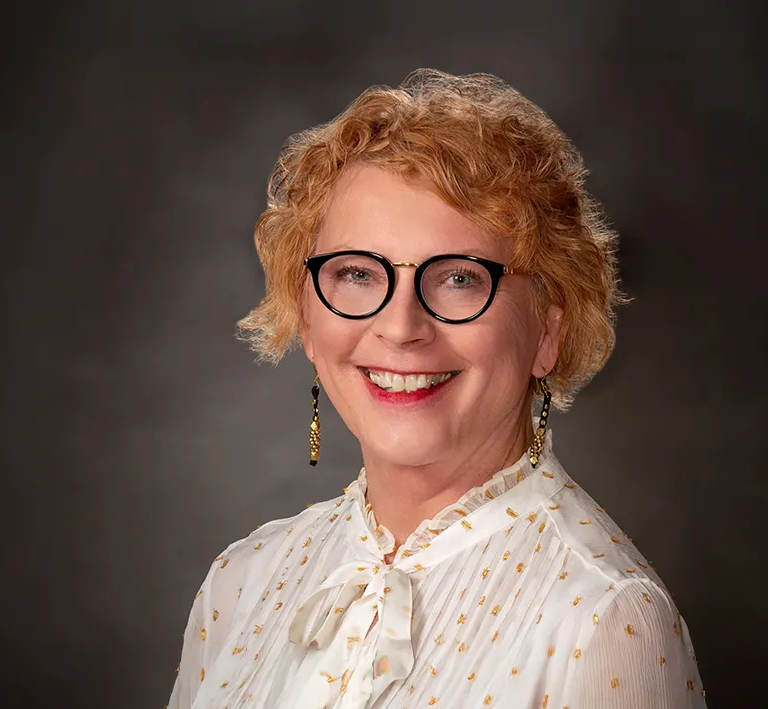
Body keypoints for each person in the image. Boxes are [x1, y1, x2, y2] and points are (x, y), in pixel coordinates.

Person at [167, 69, 706, 709]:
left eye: (458, 279)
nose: (399, 327)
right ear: (307, 318)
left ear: (548, 331)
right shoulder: (240, 583)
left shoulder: (606, 621)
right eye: (357, 274)